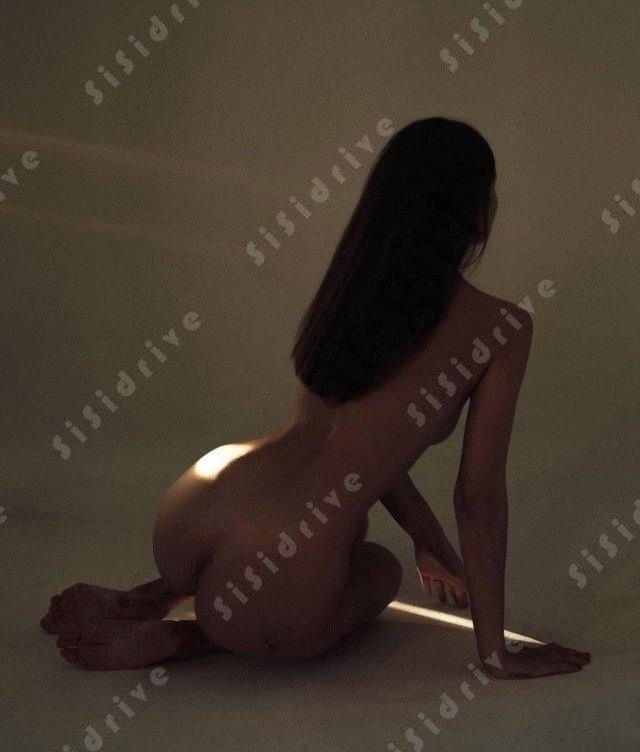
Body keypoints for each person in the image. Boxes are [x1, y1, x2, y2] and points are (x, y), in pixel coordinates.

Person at [42, 117, 590, 677]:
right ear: (475, 211)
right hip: (284, 567)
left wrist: (430, 543)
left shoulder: (352, 286)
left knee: (336, 530)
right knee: (378, 567)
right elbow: (477, 498)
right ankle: (188, 637)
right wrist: (496, 652)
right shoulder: (500, 328)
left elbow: (360, 443)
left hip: (197, 503)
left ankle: (147, 597)